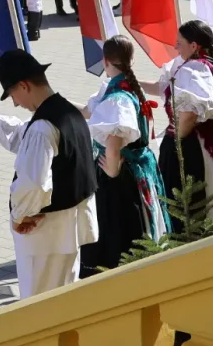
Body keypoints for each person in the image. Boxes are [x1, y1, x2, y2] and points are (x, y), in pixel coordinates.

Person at [0, 50, 98, 299]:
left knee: (39, 305)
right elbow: (22, 133)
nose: (15, 102)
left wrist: (19, 216)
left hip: (45, 237)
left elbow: (33, 183)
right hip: (68, 233)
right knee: (64, 300)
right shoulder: (69, 113)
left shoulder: (43, 127)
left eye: (12, 94)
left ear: (24, 85)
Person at [149, 20, 213, 231]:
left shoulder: (194, 69)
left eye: (179, 43)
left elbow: (189, 113)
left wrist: (176, 140)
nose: (176, 47)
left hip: (196, 149)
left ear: (194, 45)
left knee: (195, 212)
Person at [78, 36, 167, 275]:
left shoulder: (117, 98)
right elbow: (88, 111)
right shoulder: (125, 86)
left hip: (122, 175)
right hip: (137, 166)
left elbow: (114, 138)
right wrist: (55, 104)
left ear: (105, 61)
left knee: (119, 232)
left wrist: (112, 168)